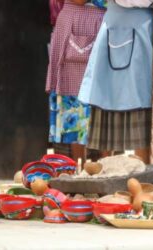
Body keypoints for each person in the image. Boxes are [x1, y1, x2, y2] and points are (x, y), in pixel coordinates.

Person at [78, 0, 153, 164]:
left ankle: (143, 175)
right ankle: (106, 170)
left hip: (140, 27)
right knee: (106, 95)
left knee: (139, 98)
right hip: (118, 24)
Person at [45, 0, 106, 163]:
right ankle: (80, 167)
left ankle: (107, 168)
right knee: (74, 103)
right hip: (76, 21)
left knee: (107, 102)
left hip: (106, 22)